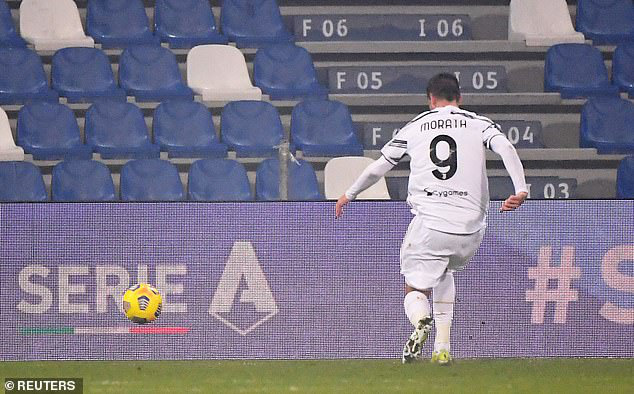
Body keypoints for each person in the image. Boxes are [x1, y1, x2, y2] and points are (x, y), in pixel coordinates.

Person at [335, 73, 528, 365]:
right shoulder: (478, 123)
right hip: (471, 229)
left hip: (432, 223)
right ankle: (442, 347)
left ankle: (421, 320)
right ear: (459, 99)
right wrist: (521, 189)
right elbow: (506, 148)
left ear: (431, 100)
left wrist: (349, 193)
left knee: (414, 287)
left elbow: (379, 167)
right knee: (445, 270)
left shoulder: (416, 126)